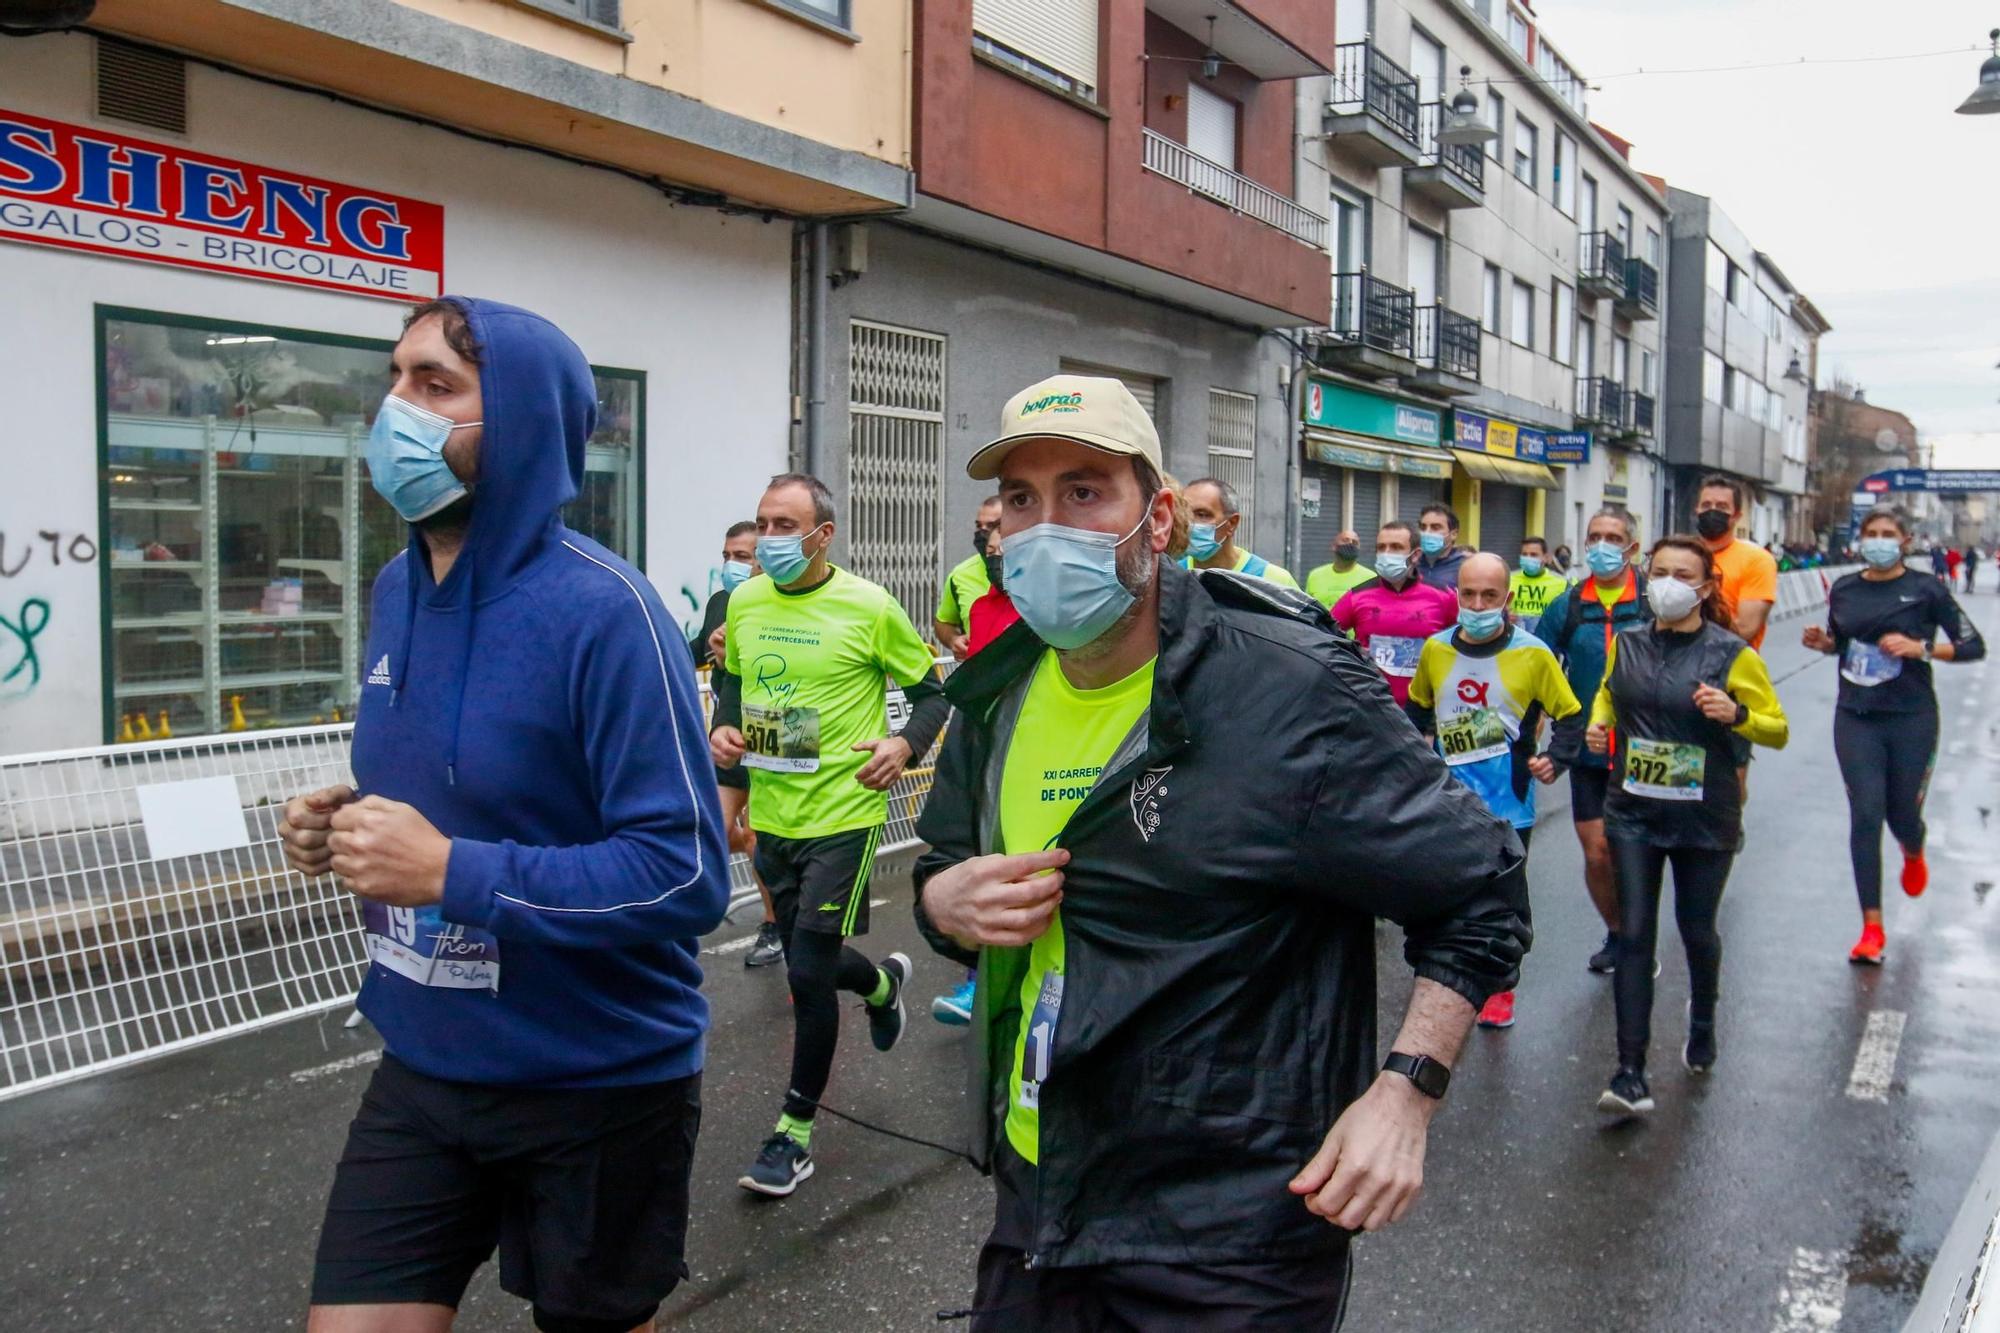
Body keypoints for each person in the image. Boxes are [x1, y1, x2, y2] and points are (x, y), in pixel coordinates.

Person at [913, 372, 1530, 1328]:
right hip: (1042, 1193)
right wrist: (942, 906)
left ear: (1157, 517)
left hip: (1232, 1238)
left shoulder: (1291, 690)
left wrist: (1407, 1092)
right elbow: (942, 876)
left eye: (1084, 491)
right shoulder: (996, 696)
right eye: (1022, 500)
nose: (1045, 527)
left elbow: (1480, 889)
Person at [283, 297, 729, 1333]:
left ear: (521, 422)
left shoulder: (606, 613)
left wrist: (449, 871)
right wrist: (339, 824)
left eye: (435, 385)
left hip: (598, 1079)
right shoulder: (396, 586)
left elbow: (683, 873)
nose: (396, 407)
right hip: (425, 1059)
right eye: (394, 378)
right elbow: (458, 792)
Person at [710, 473, 952, 1197]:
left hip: (845, 814)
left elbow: (934, 690)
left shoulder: (868, 606)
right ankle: (881, 983)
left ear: (823, 534)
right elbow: (734, 683)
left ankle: (793, 1131)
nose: (770, 540)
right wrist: (725, 738)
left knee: (806, 973)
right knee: (805, 958)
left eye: (786, 525)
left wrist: (904, 746)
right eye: (763, 523)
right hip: (776, 818)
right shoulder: (746, 602)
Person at [1572, 535, 1788, 1117]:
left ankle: (1703, 1019)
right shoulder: (1630, 644)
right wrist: (1599, 727)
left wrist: (1738, 714)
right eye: (1659, 571)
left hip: (1704, 815)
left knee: (1696, 929)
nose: (1668, 582)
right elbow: (1607, 697)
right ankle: (1630, 1072)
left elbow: (1777, 728)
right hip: (1633, 811)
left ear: (1706, 587)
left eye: (1682, 574)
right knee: (1636, 934)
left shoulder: (1731, 654)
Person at [1802, 507, 1985, 964]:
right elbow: (1843, 642)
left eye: (1888, 534)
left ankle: (1913, 846)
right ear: (1861, 540)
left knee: (1901, 814)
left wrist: (1921, 648)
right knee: (1866, 814)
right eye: (1871, 534)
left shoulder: (1925, 590)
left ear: (1905, 541)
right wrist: (1826, 644)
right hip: (1856, 715)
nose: (1878, 541)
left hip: (1911, 716)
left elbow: (1973, 645)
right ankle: (1872, 928)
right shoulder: (1844, 588)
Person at [1406, 554, 1579, 1030]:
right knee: (1449, 891)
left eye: (1489, 596)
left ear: (1507, 598)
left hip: (1510, 802)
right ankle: (1449, 976)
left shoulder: (1533, 653)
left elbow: (1569, 714)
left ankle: (1501, 987)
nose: (1478, 604)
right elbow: (1418, 710)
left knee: (1504, 899)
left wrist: (1556, 759)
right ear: (1456, 594)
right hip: (1449, 798)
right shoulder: (1437, 649)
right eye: (1469, 594)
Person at [1535, 508, 1652, 974]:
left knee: (1638, 850)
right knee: (1597, 850)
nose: (1602, 546)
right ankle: (1619, 933)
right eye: (1594, 537)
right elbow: (1538, 665)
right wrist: (1538, 727)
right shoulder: (1566, 606)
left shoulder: (1651, 602)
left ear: (1632, 548)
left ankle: (1638, 934)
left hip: (1644, 749)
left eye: (1613, 537)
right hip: (1587, 747)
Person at [933, 532, 1017, 1027]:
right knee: (977, 852)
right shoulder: (974, 592)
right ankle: (974, 981)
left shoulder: (1045, 598)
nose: (998, 558)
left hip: (1036, 729)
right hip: (981, 728)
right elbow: (947, 628)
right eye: (992, 551)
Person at [693, 523, 784, 968]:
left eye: (745, 555)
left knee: (769, 840)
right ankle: (681, 923)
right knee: (708, 826)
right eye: (729, 554)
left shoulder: (786, 601)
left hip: (779, 729)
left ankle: (776, 923)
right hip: (727, 733)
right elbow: (695, 652)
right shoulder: (720, 604)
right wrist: (711, 648)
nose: (735, 564)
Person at [1331, 520, 1458, 706]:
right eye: (1381, 547)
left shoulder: (1443, 597)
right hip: (1371, 706)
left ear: (1415, 555)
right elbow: (1323, 635)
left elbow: (1465, 643)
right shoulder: (1356, 596)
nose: (1387, 553)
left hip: (1425, 710)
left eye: (1396, 547)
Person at [1692, 476, 1778, 650]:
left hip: (1731, 666)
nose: (1712, 511)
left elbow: (1746, 628)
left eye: (1722, 507)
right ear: (1697, 510)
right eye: (1706, 505)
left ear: (1737, 515)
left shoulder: (1757, 560)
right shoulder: (1681, 555)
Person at [1178, 476, 1301, 587]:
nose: (1189, 523)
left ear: (1232, 523)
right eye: (1184, 513)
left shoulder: (1274, 581)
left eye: (1202, 515)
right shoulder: (1173, 575)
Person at [936, 497, 1005, 659]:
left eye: (992, 525)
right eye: (978, 525)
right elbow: (943, 621)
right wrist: (954, 639)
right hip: (981, 677)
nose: (982, 532)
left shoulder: (1037, 572)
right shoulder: (961, 575)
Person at [1507, 536, 1570, 637]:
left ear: (1545, 558)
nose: (1528, 558)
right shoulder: (1507, 579)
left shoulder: (1562, 583)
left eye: (1533, 555)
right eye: (1524, 554)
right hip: (1514, 641)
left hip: (1547, 642)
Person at [1305, 528, 1376, 608]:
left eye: (1355, 542)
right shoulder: (1315, 575)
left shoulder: (1370, 578)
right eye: (1346, 540)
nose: (1350, 544)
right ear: (1334, 546)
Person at [1414, 503, 1473, 589]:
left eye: (1435, 527)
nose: (1427, 532)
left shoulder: (1466, 566)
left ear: (1453, 534)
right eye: (1423, 528)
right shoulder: (1411, 563)